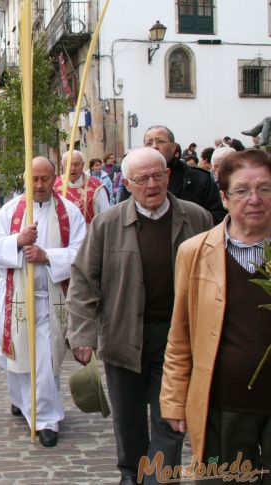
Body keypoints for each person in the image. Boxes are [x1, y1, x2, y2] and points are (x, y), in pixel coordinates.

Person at [67, 148, 213, 485]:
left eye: (158, 176)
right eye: (142, 179)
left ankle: (159, 477)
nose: (152, 184)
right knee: (128, 414)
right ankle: (132, 472)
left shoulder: (197, 218)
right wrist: (83, 335)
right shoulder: (108, 223)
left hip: (177, 337)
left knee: (170, 415)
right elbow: (84, 280)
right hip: (122, 332)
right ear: (128, 184)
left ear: (168, 177)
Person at [161, 150, 271, 484]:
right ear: (224, 197)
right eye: (241, 191)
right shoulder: (195, 252)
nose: (254, 199)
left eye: (265, 189)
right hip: (223, 404)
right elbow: (180, 333)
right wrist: (174, 399)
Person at [0, 156, 86, 448]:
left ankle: (46, 419)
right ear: (25, 179)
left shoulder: (70, 212)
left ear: (55, 178)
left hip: (50, 300)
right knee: (17, 355)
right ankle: (20, 400)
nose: (39, 185)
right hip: (15, 296)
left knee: (44, 359)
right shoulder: (11, 210)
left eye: (44, 179)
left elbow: (82, 251)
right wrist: (17, 240)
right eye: (34, 179)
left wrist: (47, 256)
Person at [126, 125, 226, 224]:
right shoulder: (133, 180)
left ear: (173, 147)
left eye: (160, 141)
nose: (154, 146)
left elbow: (218, 216)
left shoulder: (199, 178)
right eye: (149, 143)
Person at [54, 150, 110, 224]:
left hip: (89, 234)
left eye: (76, 164)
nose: (72, 168)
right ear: (63, 166)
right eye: (68, 164)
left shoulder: (96, 187)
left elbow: (105, 216)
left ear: (83, 165)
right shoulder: (54, 186)